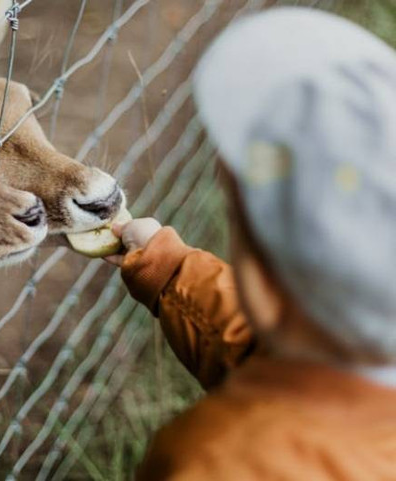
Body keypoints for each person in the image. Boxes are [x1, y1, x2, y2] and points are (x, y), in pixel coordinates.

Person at [107, 7, 396, 480]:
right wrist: (171, 271)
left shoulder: (224, 461)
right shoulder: (355, 365)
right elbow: (283, 360)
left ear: (261, 279)